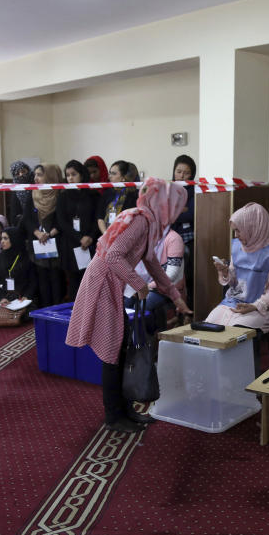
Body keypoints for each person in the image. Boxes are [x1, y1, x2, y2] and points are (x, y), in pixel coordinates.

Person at [65, 178, 191, 434]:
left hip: (112, 283)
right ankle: (114, 416)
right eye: (175, 205)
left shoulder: (147, 220)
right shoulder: (140, 219)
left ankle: (125, 409)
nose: (178, 211)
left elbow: (152, 263)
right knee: (113, 351)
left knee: (119, 348)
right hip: (103, 283)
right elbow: (112, 256)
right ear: (163, 203)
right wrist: (138, 284)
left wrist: (175, 297)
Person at [205, 202, 269, 334]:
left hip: (259, 309)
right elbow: (234, 283)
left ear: (253, 228)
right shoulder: (238, 247)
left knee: (231, 334)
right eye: (235, 231)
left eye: (239, 230)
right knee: (208, 327)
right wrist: (225, 272)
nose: (235, 236)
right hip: (232, 303)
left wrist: (254, 306)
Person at [124, 224, 186, 332]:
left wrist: (146, 286)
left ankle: (146, 341)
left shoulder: (174, 239)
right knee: (125, 304)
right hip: (146, 284)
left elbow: (171, 275)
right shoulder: (146, 238)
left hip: (167, 288)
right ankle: (128, 343)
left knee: (141, 307)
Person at [23, 164, 64, 308]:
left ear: (50, 176)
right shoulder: (33, 193)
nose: (36, 178)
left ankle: (58, 310)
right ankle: (46, 311)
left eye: (40, 174)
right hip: (38, 242)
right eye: (35, 174)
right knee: (42, 278)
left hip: (56, 241)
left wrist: (50, 234)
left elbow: (63, 218)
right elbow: (26, 218)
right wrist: (38, 233)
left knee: (56, 277)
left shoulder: (60, 193)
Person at [57, 160, 98, 301]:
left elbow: (96, 219)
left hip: (89, 243)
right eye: (67, 175)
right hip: (70, 243)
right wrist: (78, 238)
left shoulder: (93, 195)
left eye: (73, 174)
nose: (70, 178)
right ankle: (75, 316)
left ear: (82, 175)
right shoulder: (63, 196)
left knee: (90, 280)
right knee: (74, 283)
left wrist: (90, 237)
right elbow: (62, 221)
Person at [171, 155, 196, 307]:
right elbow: (163, 213)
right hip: (168, 237)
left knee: (188, 275)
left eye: (186, 173)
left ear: (192, 174)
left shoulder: (194, 190)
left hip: (188, 238)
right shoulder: (168, 189)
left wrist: (174, 212)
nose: (181, 176)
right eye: (178, 171)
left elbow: (191, 214)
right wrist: (180, 210)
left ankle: (189, 309)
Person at [0, 227, 36, 306]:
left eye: (5, 238)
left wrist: (27, 296)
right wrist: (1, 298)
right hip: (5, 297)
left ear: (14, 239)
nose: (2, 241)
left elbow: (33, 281)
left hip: (22, 297)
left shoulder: (26, 258)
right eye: (2, 238)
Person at [97, 160, 138, 235]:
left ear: (123, 177)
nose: (110, 176)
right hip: (105, 236)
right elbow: (100, 218)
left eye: (114, 173)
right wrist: (106, 235)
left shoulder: (133, 195)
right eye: (110, 173)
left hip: (124, 236)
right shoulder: (107, 193)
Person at [7, 161, 33, 229]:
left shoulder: (37, 185)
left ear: (28, 170)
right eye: (17, 173)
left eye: (23, 171)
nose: (21, 175)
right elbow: (14, 216)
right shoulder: (15, 191)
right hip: (23, 226)